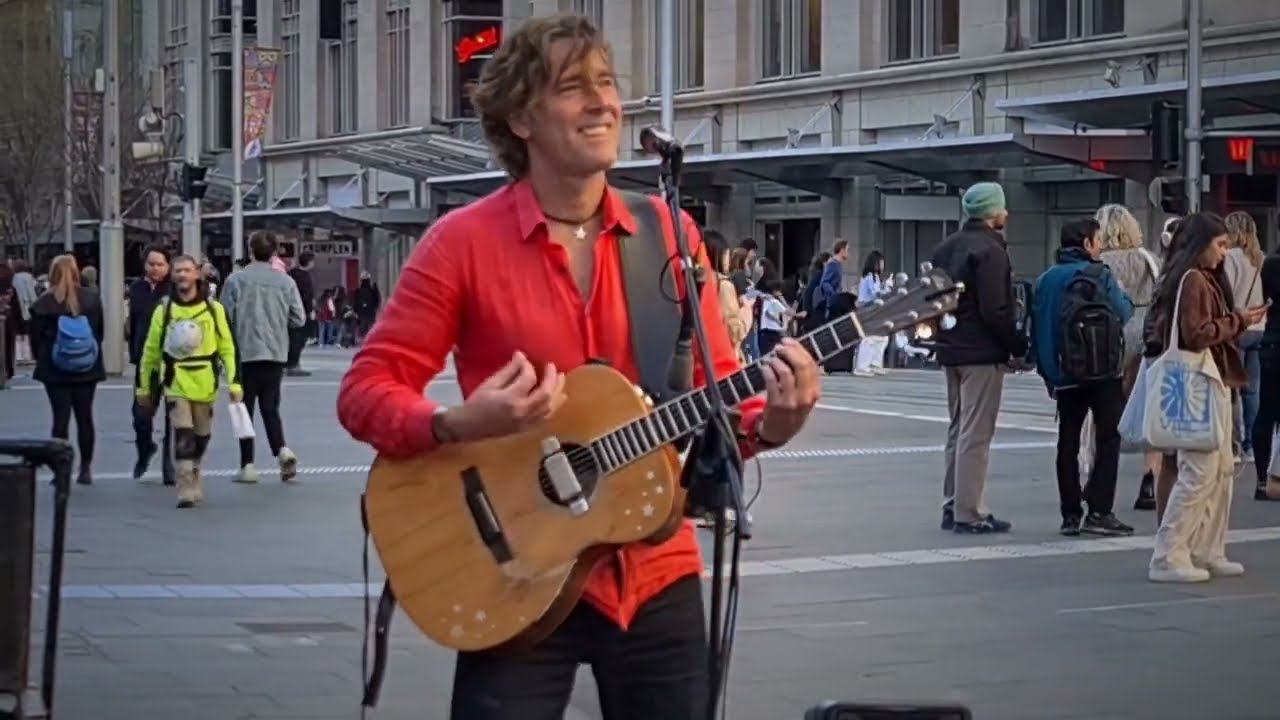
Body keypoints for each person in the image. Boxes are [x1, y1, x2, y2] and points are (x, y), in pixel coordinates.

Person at [336, 13, 820, 719]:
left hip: (657, 570)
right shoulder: (460, 244)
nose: (602, 103)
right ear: (521, 119)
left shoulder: (669, 231)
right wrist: (455, 421)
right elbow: (364, 391)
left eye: (606, 83)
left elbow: (721, 406)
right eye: (573, 88)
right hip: (514, 571)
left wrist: (777, 418)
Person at [1146, 213, 1266, 583]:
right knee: (1201, 470)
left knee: (1220, 468)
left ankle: (1204, 549)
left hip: (1212, 378)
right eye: (1220, 245)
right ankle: (1170, 552)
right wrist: (1239, 321)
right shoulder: (1194, 279)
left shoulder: (1198, 277)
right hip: (1202, 377)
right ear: (1201, 245)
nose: (1225, 253)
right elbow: (1196, 334)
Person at [930, 182, 1026, 534]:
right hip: (981, 352)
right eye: (1002, 207)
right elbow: (995, 309)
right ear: (993, 212)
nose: (1007, 213)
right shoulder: (991, 250)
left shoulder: (946, 247)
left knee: (957, 427)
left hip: (951, 347)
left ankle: (951, 502)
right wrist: (1016, 345)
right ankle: (969, 511)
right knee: (976, 431)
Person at [1031, 218, 1134, 536]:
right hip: (1102, 371)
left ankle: (1070, 514)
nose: (1101, 246)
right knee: (1109, 437)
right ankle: (1100, 510)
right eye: (1098, 240)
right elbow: (1125, 311)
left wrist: (1050, 373)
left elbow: (1040, 329)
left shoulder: (1045, 280)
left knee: (1068, 441)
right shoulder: (1099, 274)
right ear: (1087, 244)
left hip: (1065, 373)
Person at [137, 255, 241, 508]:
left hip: (205, 380)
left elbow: (228, 347)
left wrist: (235, 382)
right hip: (176, 380)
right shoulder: (165, 310)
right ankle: (184, 485)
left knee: (201, 435)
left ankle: (195, 469)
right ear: (172, 276)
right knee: (183, 432)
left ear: (196, 274)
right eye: (177, 271)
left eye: (186, 270)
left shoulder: (214, 310)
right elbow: (151, 350)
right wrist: (144, 386)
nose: (182, 275)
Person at [1091, 204, 1163, 510]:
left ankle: (1097, 475)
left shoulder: (1100, 262)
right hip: (1145, 331)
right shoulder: (1149, 259)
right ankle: (1149, 478)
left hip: (1110, 332)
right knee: (1148, 407)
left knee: (1102, 407)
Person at [220, 232, 305, 483]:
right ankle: (281, 449)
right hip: (275, 352)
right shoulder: (286, 282)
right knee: (270, 407)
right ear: (274, 252)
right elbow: (298, 318)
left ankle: (247, 465)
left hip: (244, 353)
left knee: (244, 409)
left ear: (250, 250)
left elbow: (224, 316)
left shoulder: (236, 280)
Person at [27, 255, 105, 485]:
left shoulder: (43, 304)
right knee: (85, 418)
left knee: (59, 419)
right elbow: (99, 333)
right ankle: (86, 468)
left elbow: (36, 340)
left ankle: (60, 470)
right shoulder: (91, 300)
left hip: (55, 369)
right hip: (86, 367)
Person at [1221, 211, 1265, 464]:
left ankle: (1234, 444)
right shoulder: (1259, 259)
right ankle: (1252, 445)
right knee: (1252, 391)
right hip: (1259, 329)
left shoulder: (1231, 258)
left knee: (1231, 389)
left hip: (1237, 328)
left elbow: (1228, 294)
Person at [128, 246, 173, 479]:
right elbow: (134, 323)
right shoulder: (136, 289)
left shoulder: (175, 290)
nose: (155, 269)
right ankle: (144, 450)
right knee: (141, 415)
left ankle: (170, 467)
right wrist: (134, 353)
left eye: (160, 264)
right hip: (146, 362)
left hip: (173, 362)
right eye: (151, 264)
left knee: (173, 417)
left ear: (168, 266)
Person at [1252, 237, 1280, 500]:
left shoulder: (1270, 264)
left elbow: (1268, 297)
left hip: (1272, 342)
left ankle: (1262, 478)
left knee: (1266, 410)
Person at [853, 250, 888, 376]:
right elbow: (875, 293)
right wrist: (886, 287)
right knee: (869, 337)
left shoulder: (874, 276)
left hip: (872, 308)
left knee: (882, 336)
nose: (883, 265)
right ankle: (861, 366)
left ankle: (874, 363)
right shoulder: (870, 276)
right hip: (867, 308)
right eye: (881, 262)